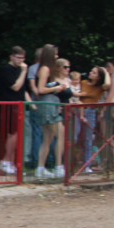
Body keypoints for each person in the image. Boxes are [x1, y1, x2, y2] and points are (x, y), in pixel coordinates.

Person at [34, 44, 66, 179]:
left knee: (47, 137)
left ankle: (40, 168)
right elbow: (40, 89)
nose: (57, 56)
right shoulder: (45, 69)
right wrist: (56, 89)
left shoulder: (45, 69)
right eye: (55, 54)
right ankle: (58, 167)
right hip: (47, 104)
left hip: (50, 103)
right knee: (60, 133)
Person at [0, 46, 30, 175]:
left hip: (19, 105)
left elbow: (23, 89)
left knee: (17, 134)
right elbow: (15, 87)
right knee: (13, 134)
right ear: (11, 56)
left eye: (23, 58)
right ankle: (6, 160)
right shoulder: (7, 70)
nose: (21, 60)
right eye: (18, 57)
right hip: (10, 105)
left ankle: (11, 162)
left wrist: (31, 105)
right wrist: (23, 72)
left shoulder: (19, 69)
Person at [72, 66, 110, 172]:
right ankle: (70, 163)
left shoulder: (100, 88)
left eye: (94, 72)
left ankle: (86, 165)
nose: (90, 73)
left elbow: (107, 84)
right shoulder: (83, 83)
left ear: (98, 77)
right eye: (91, 71)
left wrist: (105, 72)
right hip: (78, 110)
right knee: (74, 137)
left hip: (90, 111)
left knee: (88, 139)